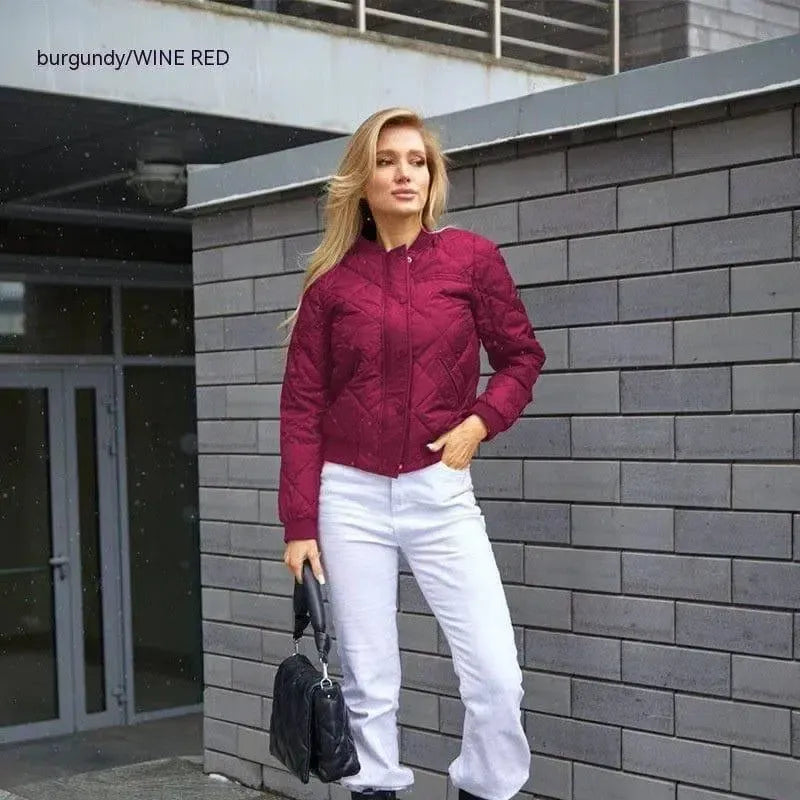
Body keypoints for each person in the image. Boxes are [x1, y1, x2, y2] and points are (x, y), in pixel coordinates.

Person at [276, 107, 546, 800]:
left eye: (417, 161)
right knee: (369, 686)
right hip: (349, 497)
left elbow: (521, 358)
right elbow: (301, 409)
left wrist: (479, 422)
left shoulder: (471, 260)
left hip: (439, 490)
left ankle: (486, 788)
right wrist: (300, 524)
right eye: (387, 160)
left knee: (496, 677)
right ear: (362, 180)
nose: (405, 173)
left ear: (432, 178)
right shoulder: (331, 287)